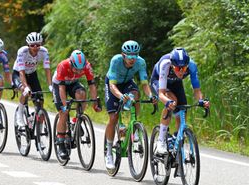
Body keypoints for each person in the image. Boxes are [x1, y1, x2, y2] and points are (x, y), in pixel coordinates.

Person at [104, 40, 157, 169]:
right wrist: (121, 96)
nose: (132, 59)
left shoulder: (141, 62)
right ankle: (109, 152)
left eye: (135, 55)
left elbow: (144, 84)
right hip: (113, 84)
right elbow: (112, 85)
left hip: (127, 82)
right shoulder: (116, 60)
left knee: (136, 95)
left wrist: (151, 96)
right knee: (113, 118)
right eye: (129, 56)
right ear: (123, 55)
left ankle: (135, 128)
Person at [150, 47, 210, 155]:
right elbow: (161, 93)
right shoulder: (165, 64)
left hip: (176, 83)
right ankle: (161, 141)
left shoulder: (192, 66)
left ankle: (175, 139)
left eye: (184, 68)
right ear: (172, 65)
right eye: (178, 69)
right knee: (172, 101)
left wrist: (201, 101)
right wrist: (168, 102)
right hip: (158, 81)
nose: (182, 71)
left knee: (182, 109)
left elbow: (197, 90)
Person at [52, 50, 101, 159]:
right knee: (63, 113)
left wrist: (94, 102)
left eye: (81, 69)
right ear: (71, 63)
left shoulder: (87, 66)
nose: (79, 72)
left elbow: (92, 85)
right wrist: (64, 106)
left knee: (82, 94)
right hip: (59, 85)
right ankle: (60, 144)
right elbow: (61, 88)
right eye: (76, 69)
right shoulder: (63, 65)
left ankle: (76, 122)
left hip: (73, 83)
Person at [12, 32, 52, 127]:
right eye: (32, 45)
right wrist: (25, 87)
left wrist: (50, 85)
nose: (35, 47)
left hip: (32, 74)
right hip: (18, 73)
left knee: (40, 101)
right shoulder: (22, 52)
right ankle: (20, 114)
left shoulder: (44, 52)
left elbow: (47, 70)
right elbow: (21, 72)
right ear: (28, 45)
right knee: (25, 91)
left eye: (38, 45)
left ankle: (39, 130)